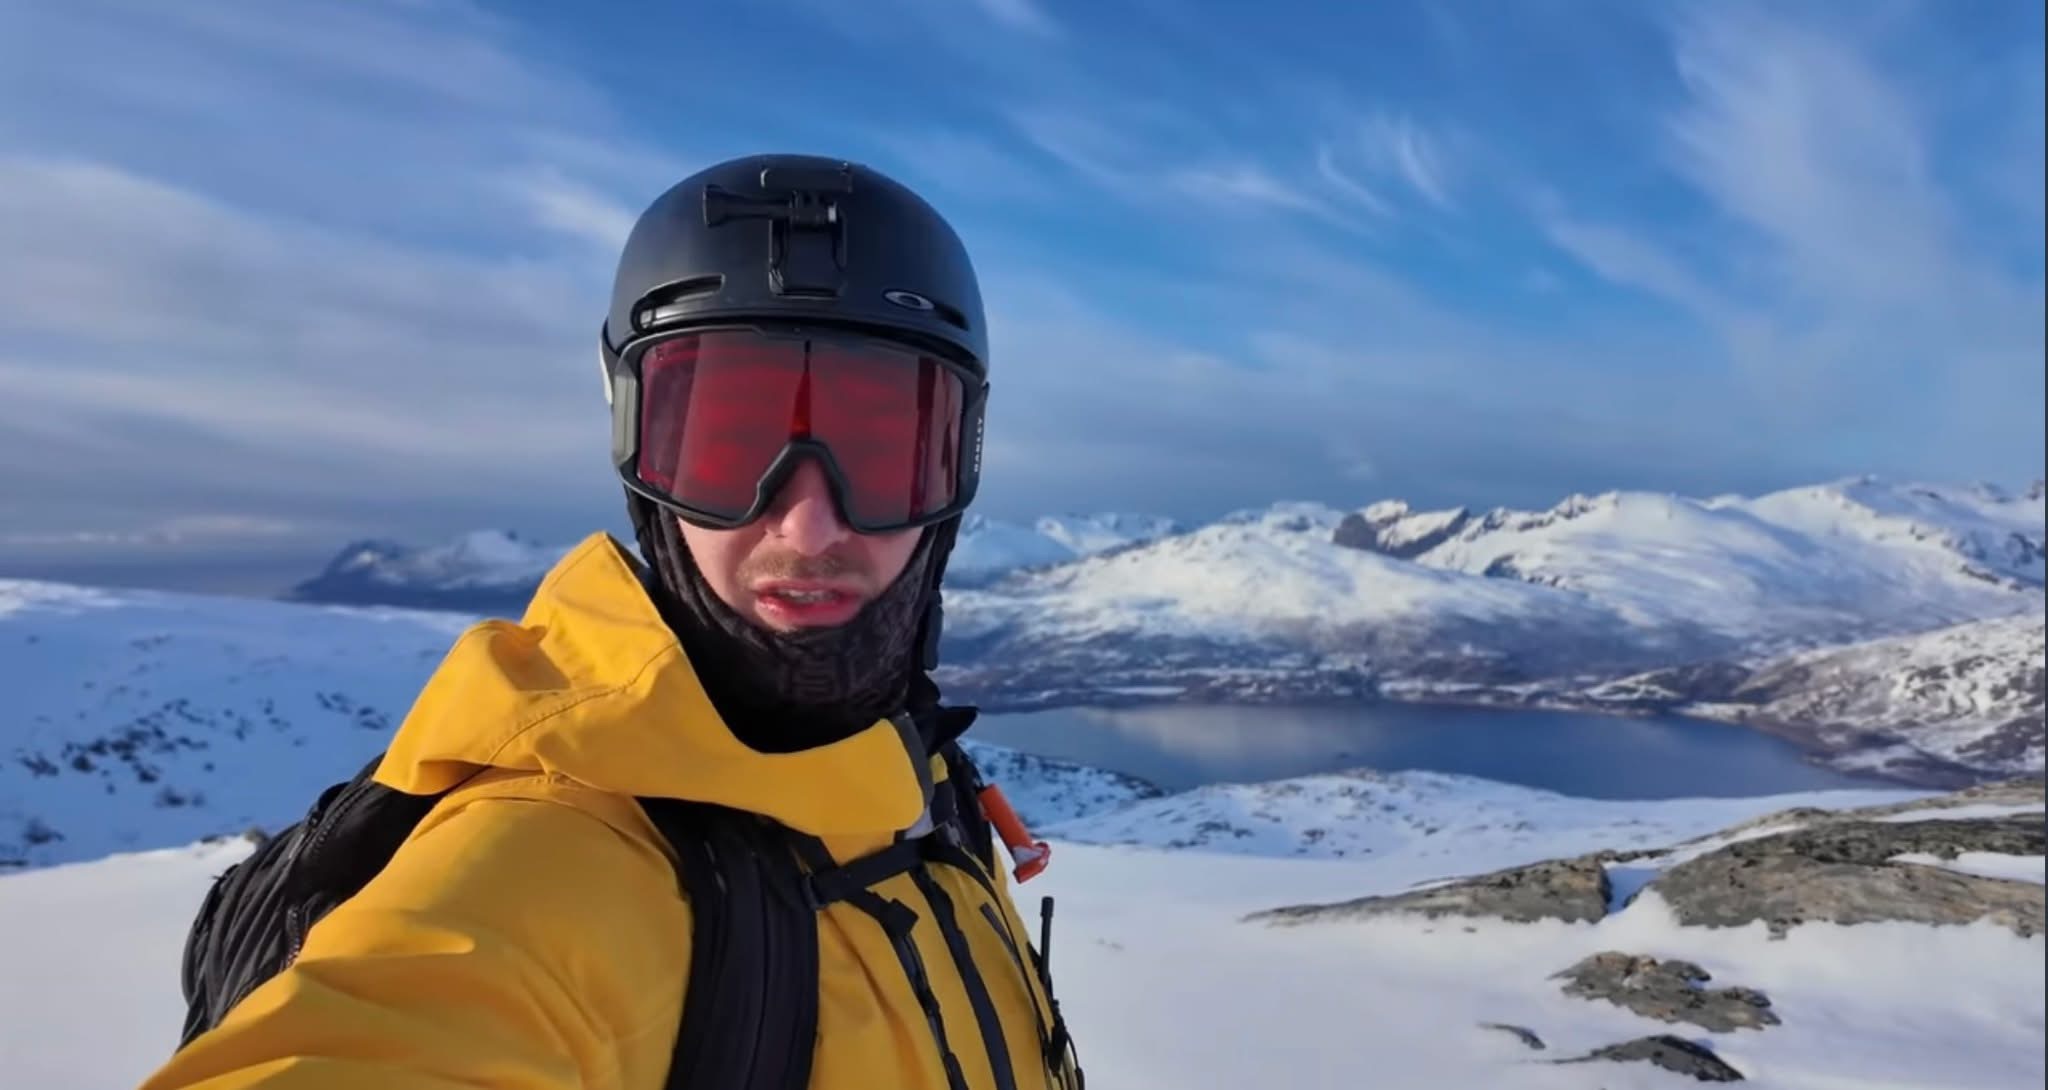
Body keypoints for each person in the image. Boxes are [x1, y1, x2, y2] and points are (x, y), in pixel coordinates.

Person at [139, 154, 1082, 1090]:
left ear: (958, 470)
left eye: (883, 454)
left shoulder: (921, 787)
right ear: (639, 455)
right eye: (727, 448)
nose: (808, 528)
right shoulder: (540, 863)